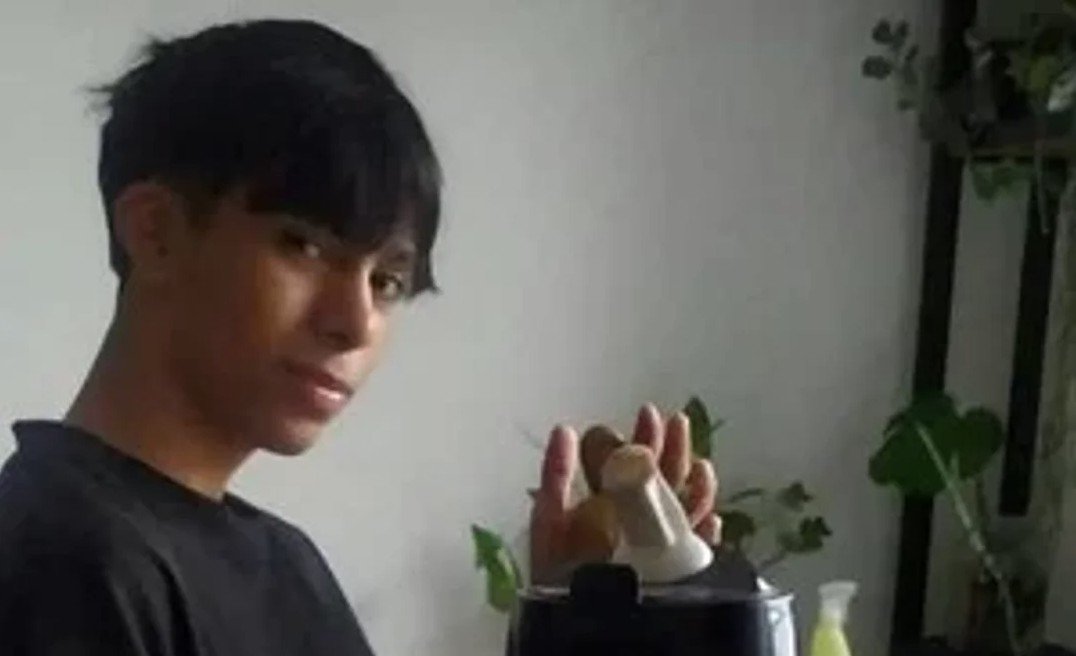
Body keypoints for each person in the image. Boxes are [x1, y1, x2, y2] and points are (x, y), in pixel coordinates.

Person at [0, 18, 720, 655]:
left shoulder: (287, 564)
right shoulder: (61, 558)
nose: (355, 324)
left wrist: (567, 620)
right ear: (155, 231)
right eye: (304, 246)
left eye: (388, 282)